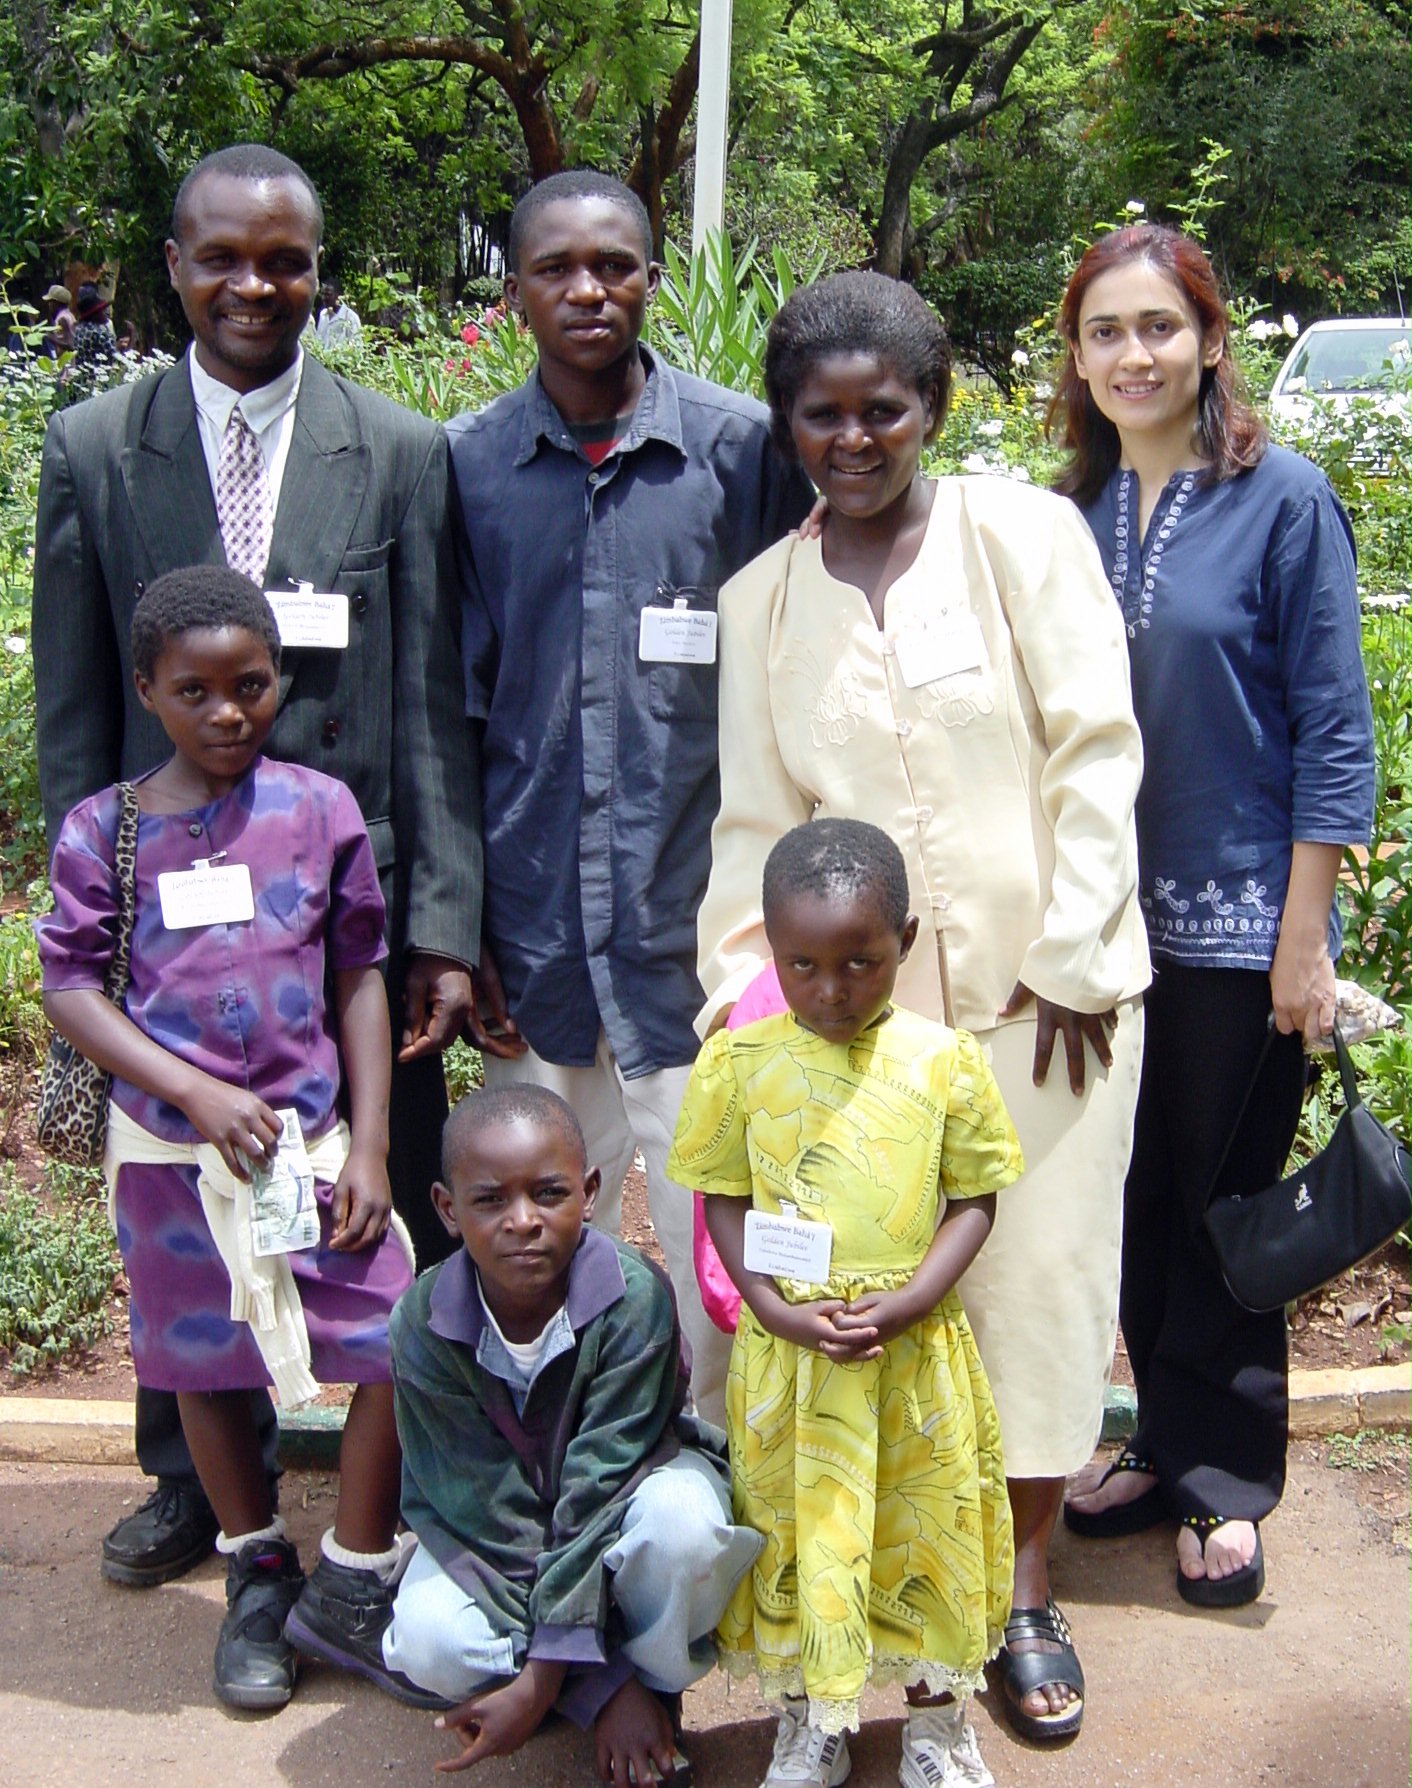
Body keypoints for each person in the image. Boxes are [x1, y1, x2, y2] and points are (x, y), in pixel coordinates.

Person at [694, 270, 1150, 1744]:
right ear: (786, 425)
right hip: (852, 1034)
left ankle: (1018, 1590)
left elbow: (1095, 746)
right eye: (819, 415)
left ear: (931, 407)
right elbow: (753, 831)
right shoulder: (761, 600)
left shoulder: (1021, 534)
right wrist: (739, 998)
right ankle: (870, 1601)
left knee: (1035, 1293)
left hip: (1045, 1007)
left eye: (881, 409)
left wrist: (1076, 953)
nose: (852, 438)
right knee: (865, 1305)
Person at [31, 143, 478, 1595]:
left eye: (283, 260)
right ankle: (190, 1481)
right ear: (173, 261)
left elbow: (426, 707)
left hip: (342, 931)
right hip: (169, 937)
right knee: (180, 1204)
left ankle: (384, 1498)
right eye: (223, 255)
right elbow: (77, 708)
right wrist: (95, 920)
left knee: (371, 1202)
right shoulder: (97, 446)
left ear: (317, 273)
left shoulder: (400, 449)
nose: (253, 284)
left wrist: (440, 929)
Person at [450, 169, 813, 1426]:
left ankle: (717, 1465)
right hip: (535, 940)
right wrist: (460, 929)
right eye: (557, 268)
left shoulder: (738, 456)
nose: (588, 290)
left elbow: (795, 679)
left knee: (727, 1241)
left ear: (652, 277)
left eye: (614, 264)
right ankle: (553, 1457)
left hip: (695, 940)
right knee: (541, 1232)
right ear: (515, 295)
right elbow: (455, 716)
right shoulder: (472, 470)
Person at [36, 567, 433, 1713]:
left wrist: (364, 1145)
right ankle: (257, 1565)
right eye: (195, 691)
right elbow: (70, 987)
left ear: (280, 680)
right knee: (201, 1364)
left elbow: (359, 970)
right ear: (148, 689)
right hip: (172, 1155)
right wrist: (195, 1094)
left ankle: (353, 1578)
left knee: (394, 1337)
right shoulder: (102, 831)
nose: (227, 714)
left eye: (250, 686)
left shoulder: (318, 811)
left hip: (308, 1145)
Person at [1051, 226, 1375, 1606]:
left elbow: (1336, 732)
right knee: (1121, 1203)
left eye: (1158, 327)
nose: (1134, 354)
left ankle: (1226, 1483)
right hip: (1098, 931)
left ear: (1210, 340)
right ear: (1076, 356)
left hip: (1245, 930)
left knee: (1222, 1208)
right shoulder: (1068, 516)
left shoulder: (1282, 498)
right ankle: (1167, 1444)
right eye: (1106, 331)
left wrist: (1305, 940)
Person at [668, 819, 1020, 1788]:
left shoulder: (943, 1062)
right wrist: (771, 1309)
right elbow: (721, 1197)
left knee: (921, 1534)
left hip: (909, 1358)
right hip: (793, 1361)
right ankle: (811, 1717)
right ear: (772, 954)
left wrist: (912, 1300)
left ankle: (936, 1721)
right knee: (795, 1532)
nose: (830, 991)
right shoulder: (738, 1066)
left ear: (905, 943)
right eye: (802, 965)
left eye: (861, 963)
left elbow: (974, 1197)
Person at [383, 1083, 760, 1781]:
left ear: (589, 1193)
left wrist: (552, 1672)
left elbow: (602, 1490)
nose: (522, 1221)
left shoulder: (631, 1296)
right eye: (490, 1200)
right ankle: (609, 1687)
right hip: (498, 1540)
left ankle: (651, 1681)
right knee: (430, 1640)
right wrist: (597, 1686)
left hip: (624, 1501)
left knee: (683, 1529)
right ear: (446, 1208)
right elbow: (488, 1518)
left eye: (549, 1194)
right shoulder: (423, 1322)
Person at [315, 279, 363, 348]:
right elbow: (318, 340)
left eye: (328, 295)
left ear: (338, 296)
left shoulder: (349, 317)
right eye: (322, 294)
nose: (324, 298)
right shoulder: (323, 315)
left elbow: (357, 345)